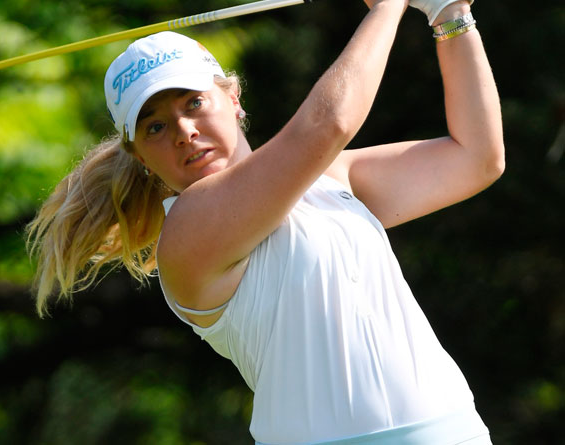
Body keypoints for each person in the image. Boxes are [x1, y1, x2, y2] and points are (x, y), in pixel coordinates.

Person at [27, 0, 504, 442]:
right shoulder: (189, 231)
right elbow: (330, 122)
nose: (184, 132)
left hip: (454, 428)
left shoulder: (331, 177)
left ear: (232, 98)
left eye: (193, 103)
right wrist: (391, 5)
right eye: (155, 126)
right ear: (141, 157)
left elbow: (478, 159)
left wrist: (448, 13)